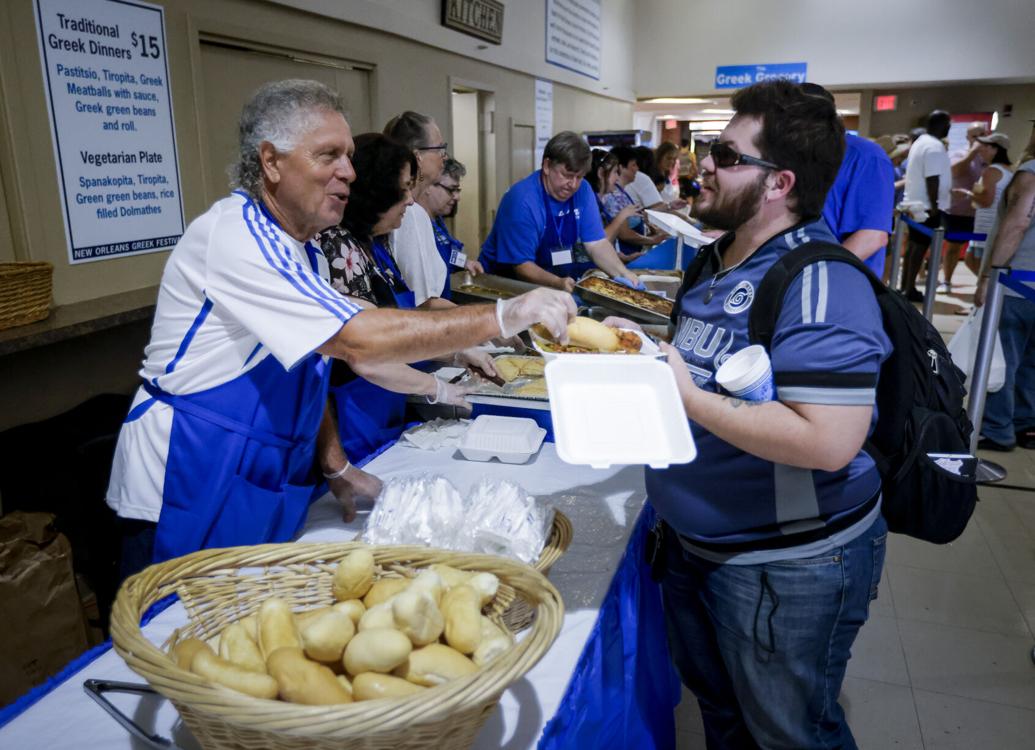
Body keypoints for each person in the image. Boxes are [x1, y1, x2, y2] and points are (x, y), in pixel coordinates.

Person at [105, 80, 575, 575]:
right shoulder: (237, 236)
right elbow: (358, 339)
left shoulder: (302, 246)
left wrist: (335, 465)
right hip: (189, 476)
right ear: (271, 162)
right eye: (328, 155)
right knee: (181, 632)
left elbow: (321, 359)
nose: (348, 172)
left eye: (348, 156)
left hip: (256, 471)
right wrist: (505, 314)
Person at [640, 79, 891, 748]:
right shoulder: (713, 260)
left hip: (785, 568)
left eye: (724, 154)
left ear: (778, 182)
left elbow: (828, 441)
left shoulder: (821, 282)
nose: (703, 166)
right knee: (722, 715)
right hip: (700, 549)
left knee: (790, 735)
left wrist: (685, 397)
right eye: (707, 148)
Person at [319, 134, 492, 462]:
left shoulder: (375, 242)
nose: (411, 202)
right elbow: (368, 352)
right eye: (404, 190)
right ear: (376, 192)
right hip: (355, 409)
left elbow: (410, 316)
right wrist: (437, 386)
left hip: (386, 402)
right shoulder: (339, 246)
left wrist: (455, 352)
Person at [479, 131, 640, 291]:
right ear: (547, 166)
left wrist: (623, 274)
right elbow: (522, 266)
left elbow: (596, 243)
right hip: (505, 285)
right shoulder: (522, 201)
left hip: (550, 282)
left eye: (580, 176)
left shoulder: (583, 190)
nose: (573, 184)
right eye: (567, 175)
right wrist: (557, 283)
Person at [973, 145, 1035, 452]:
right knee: (1031, 361)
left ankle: (998, 428)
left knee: (1003, 356)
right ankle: (1027, 424)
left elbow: (1018, 224)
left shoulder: (1030, 175)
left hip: (1018, 280)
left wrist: (989, 275)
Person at [809, 83, 896, 278]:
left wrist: (817, 278)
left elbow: (872, 236)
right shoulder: (797, 155)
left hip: (842, 279)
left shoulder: (867, 157)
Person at [383, 111, 451, 308]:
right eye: (439, 148)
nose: (444, 157)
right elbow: (424, 304)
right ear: (417, 156)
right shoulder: (409, 214)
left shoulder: (414, 210)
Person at [901, 110, 952, 302]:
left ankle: (907, 286)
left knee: (914, 248)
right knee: (919, 248)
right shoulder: (933, 146)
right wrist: (935, 205)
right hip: (927, 206)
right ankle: (909, 288)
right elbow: (932, 177)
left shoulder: (920, 143)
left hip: (917, 202)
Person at [418, 156, 483, 299]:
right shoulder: (416, 226)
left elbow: (448, 254)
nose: (457, 197)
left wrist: (465, 262)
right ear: (429, 186)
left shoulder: (437, 220)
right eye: (451, 189)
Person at [587, 148, 663, 261]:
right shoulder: (589, 203)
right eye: (614, 172)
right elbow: (598, 243)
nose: (617, 178)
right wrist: (622, 216)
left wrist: (624, 258)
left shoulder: (600, 202)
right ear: (601, 173)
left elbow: (608, 245)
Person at [956, 132, 1013, 275]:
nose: (981, 149)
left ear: (996, 149)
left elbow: (987, 201)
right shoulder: (1009, 171)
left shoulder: (991, 171)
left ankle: (988, 293)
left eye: (986, 146)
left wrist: (966, 194)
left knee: (981, 268)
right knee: (972, 260)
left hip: (986, 227)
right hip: (992, 226)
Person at [943, 122, 989, 291]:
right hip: (958, 210)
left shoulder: (989, 157)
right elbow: (954, 171)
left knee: (977, 252)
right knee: (953, 247)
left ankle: (984, 286)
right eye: (975, 135)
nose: (979, 139)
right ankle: (947, 281)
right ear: (968, 137)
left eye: (982, 134)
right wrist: (972, 153)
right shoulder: (959, 154)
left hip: (981, 212)